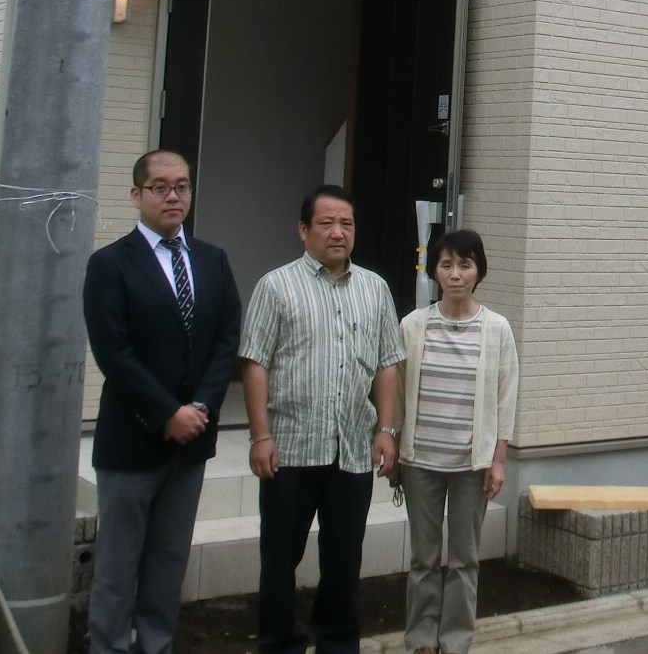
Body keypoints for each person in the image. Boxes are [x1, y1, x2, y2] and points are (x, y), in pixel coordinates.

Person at [82, 150, 242, 654]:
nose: (173, 196)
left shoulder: (213, 260)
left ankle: (156, 646)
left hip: (190, 443)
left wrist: (200, 409)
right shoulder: (109, 264)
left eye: (182, 186)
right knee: (117, 567)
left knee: (167, 565)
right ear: (136, 195)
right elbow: (115, 352)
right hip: (133, 441)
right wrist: (165, 414)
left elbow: (225, 340)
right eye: (160, 187)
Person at [239, 184, 406, 654]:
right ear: (303, 230)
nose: (338, 233)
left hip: (351, 449)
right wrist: (259, 436)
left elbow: (387, 363)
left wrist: (386, 429)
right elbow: (255, 362)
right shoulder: (276, 285)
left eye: (346, 224)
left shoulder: (375, 288)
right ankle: (279, 644)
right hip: (290, 447)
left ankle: (336, 642)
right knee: (279, 558)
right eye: (326, 223)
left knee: (343, 560)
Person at [394, 229, 518, 654]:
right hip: (420, 461)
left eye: (465, 264)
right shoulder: (412, 325)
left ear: (478, 270)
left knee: (464, 560)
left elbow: (506, 398)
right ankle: (421, 640)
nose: (456, 274)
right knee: (423, 559)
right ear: (434, 271)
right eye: (446, 264)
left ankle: (456, 640)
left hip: (472, 465)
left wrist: (498, 460)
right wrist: (392, 444)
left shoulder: (497, 329)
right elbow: (395, 389)